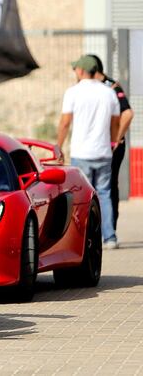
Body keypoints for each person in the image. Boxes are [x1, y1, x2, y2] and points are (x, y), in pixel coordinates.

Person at [56, 55, 120, 249]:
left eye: (76, 69)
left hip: (81, 153)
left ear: (82, 71)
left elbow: (65, 122)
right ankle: (110, 237)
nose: (75, 72)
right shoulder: (109, 93)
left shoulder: (73, 92)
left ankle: (83, 239)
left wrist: (58, 146)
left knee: (82, 197)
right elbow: (115, 121)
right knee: (105, 194)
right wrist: (113, 141)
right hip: (103, 152)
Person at [88, 54, 135, 231]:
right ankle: (103, 228)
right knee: (105, 186)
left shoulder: (111, 86)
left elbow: (127, 113)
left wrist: (115, 139)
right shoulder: (94, 87)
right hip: (100, 144)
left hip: (110, 145)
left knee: (106, 186)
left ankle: (108, 228)